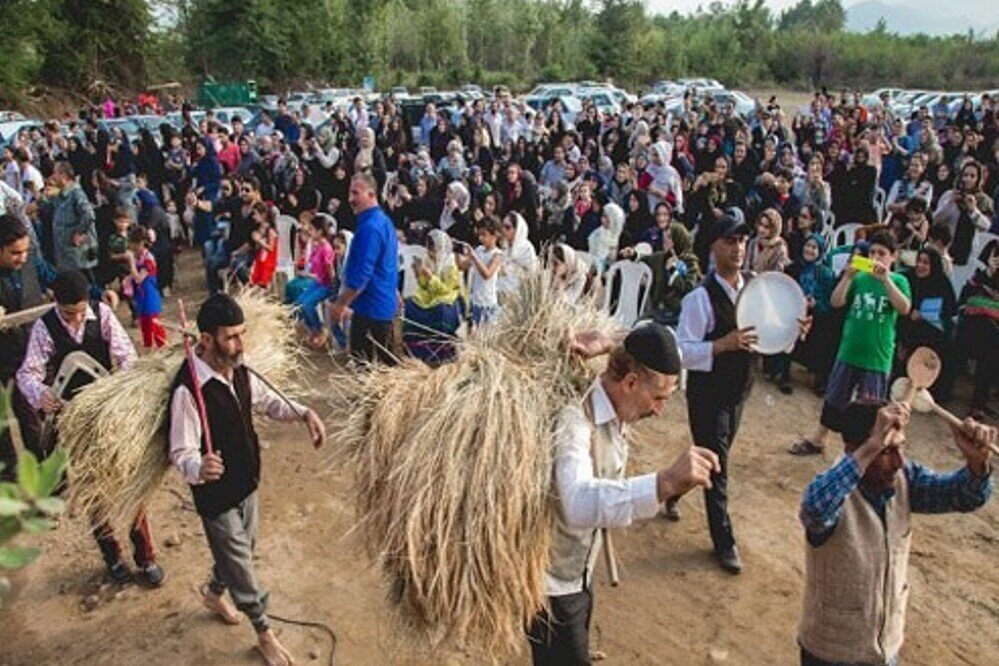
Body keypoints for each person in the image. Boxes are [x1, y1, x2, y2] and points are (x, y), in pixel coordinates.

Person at [527, 322, 721, 665]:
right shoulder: (575, 419)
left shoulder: (619, 407)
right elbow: (575, 501)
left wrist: (611, 341)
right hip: (552, 584)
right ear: (630, 383)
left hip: (579, 573)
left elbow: (660, 334)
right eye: (658, 398)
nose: (660, 410)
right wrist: (664, 484)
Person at [168, 293, 326, 666]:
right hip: (215, 495)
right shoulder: (188, 390)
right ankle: (263, 631)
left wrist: (304, 413)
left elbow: (268, 402)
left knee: (244, 547)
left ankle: (213, 592)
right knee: (241, 560)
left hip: (246, 480)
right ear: (206, 340)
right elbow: (181, 450)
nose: (240, 344)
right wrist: (197, 466)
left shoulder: (240, 368)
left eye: (242, 334)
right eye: (231, 337)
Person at [797, 400, 994, 666]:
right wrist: (873, 445)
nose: (899, 462)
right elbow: (814, 510)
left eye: (901, 447)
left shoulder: (905, 479)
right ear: (855, 449)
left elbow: (965, 496)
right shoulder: (835, 489)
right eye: (887, 451)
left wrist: (976, 463)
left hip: (886, 650)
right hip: (833, 653)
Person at [676, 215, 810, 571]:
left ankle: (672, 488)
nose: (737, 249)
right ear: (712, 247)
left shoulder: (756, 286)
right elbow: (681, 351)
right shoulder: (699, 298)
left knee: (713, 459)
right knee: (719, 466)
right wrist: (722, 344)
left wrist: (794, 329)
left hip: (739, 390)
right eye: (729, 241)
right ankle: (724, 541)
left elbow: (772, 333)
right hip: (707, 394)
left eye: (741, 241)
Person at [17, 270, 163, 586]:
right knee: (93, 490)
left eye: (82, 310)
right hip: (72, 420)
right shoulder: (45, 327)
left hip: (109, 413)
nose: (77, 317)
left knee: (129, 482)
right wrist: (43, 396)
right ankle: (112, 557)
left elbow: (127, 358)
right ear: (56, 303)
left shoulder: (103, 314)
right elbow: (26, 374)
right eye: (70, 313)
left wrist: (120, 391)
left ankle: (146, 556)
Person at [790, 231, 911, 457]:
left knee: (870, 408)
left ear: (893, 256)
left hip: (877, 356)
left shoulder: (899, 281)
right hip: (849, 350)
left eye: (882, 253)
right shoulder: (859, 278)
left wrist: (886, 280)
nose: (876, 258)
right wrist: (847, 277)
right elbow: (836, 302)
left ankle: (863, 452)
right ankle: (818, 439)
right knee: (835, 398)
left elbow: (904, 308)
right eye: (873, 252)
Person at [0, 215, 53, 481]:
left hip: (30, 353)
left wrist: (94, 294)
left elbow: (54, 277)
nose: (21, 258)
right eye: (14, 253)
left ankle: (49, 479)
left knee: (37, 417)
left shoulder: (31, 263)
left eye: (25, 251)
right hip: (4, 358)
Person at [330, 173, 399, 364]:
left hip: (371, 308)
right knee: (382, 365)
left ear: (371, 194)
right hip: (378, 304)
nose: (351, 199)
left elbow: (361, 276)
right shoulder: (382, 221)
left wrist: (341, 303)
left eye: (355, 193)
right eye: (350, 193)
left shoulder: (371, 227)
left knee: (367, 366)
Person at [403, 229, 463, 364]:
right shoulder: (429, 261)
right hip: (431, 295)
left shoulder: (450, 265)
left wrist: (430, 275)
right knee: (411, 304)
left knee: (441, 308)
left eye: (434, 250)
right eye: (429, 250)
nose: (431, 254)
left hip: (447, 296)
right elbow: (424, 286)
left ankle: (441, 352)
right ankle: (415, 350)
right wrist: (418, 273)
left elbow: (445, 289)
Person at [124, 226, 166, 349]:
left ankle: (163, 347)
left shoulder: (148, 259)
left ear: (140, 243)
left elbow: (138, 278)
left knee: (154, 323)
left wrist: (131, 262)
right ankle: (148, 348)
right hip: (141, 295)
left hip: (150, 295)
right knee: (145, 325)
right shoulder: (139, 257)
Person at [458, 217, 503, 327]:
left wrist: (473, 257)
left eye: (484, 235)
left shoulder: (497, 254)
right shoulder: (479, 250)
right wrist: (457, 253)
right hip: (475, 302)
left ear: (494, 235)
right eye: (479, 235)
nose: (480, 238)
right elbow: (462, 266)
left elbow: (487, 274)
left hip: (488, 304)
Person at [497, 211, 538, 298]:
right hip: (501, 290)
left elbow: (531, 273)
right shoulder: (505, 245)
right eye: (503, 226)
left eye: (507, 227)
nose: (503, 230)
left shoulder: (526, 248)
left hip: (517, 294)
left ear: (517, 230)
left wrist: (509, 269)